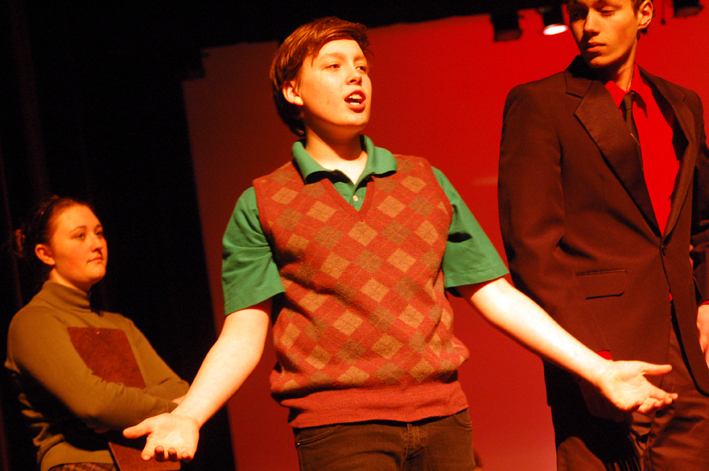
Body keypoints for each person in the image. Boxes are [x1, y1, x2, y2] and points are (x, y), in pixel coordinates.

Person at [125, 17, 676, 471]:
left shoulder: (422, 180)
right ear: (293, 91)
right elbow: (244, 332)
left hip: (444, 418)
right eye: (333, 66)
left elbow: (496, 295)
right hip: (339, 429)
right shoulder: (264, 201)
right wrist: (190, 414)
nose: (355, 76)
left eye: (361, 66)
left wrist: (599, 369)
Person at [497, 0, 709, 469]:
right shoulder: (539, 103)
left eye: (605, 9)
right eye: (578, 12)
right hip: (601, 356)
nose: (588, 26)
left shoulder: (682, 104)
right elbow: (533, 249)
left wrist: (708, 301)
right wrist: (593, 361)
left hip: (687, 360)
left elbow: (703, 221)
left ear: (644, 14)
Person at [5, 196, 189, 471]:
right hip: (82, 463)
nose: (96, 244)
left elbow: (181, 390)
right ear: (46, 254)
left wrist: (118, 406)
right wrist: (179, 409)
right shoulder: (34, 321)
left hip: (148, 463)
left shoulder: (121, 324)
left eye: (99, 233)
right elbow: (95, 404)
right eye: (80, 235)